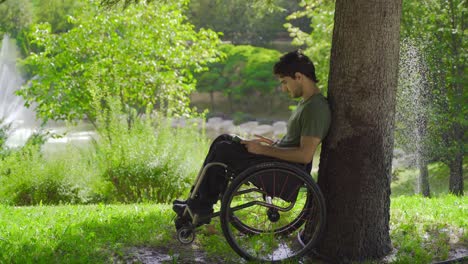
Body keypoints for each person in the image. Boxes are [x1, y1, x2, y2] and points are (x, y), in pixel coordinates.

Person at [173, 50, 331, 226]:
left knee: (223, 149)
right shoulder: (306, 104)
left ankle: (199, 207)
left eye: (285, 82)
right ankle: (195, 203)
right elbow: (295, 144)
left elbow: (305, 155)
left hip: (283, 173)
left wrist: (264, 150)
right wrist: (273, 145)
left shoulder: (316, 108)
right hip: (276, 161)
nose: (283, 88)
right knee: (223, 139)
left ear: (299, 76)